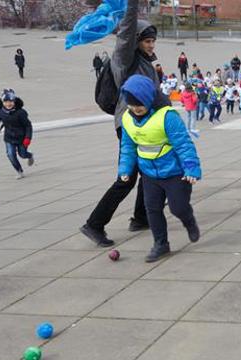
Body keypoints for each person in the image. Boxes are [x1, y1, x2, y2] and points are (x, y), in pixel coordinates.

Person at [81, 0, 171, 247]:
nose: (151, 45)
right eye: (146, 41)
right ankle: (94, 224)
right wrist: (132, 4)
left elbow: (154, 95)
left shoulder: (145, 64)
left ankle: (141, 217)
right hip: (130, 124)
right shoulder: (125, 58)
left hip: (146, 123)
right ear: (135, 41)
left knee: (149, 171)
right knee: (127, 177)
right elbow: (127, 30)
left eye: (153, 41)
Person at [118, 75, 202, 262]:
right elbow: (127, 147)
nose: (135, 109)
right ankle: (161, 244)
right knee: (152, 210)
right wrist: (124, 169)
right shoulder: (127, 119)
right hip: (149, 174)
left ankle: (189, 221)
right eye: (131, 105)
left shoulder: (167, 116)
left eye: (139, 104)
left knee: (178, 208)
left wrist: (191, 169)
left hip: (175, 173)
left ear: (149, 99)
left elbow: (184, 145)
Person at [0, 89, 34, 179]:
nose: (8, 104)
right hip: (9, 137)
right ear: (2, 101)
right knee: (10, 154)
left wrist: (28, 138)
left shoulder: (21, 112)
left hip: (22, 138)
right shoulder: (0, 110)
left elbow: (28, 126)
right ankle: (19, 171)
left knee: (22, 154)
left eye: (11, 101)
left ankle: (30, 155)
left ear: (14, 101)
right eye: (5, 102)